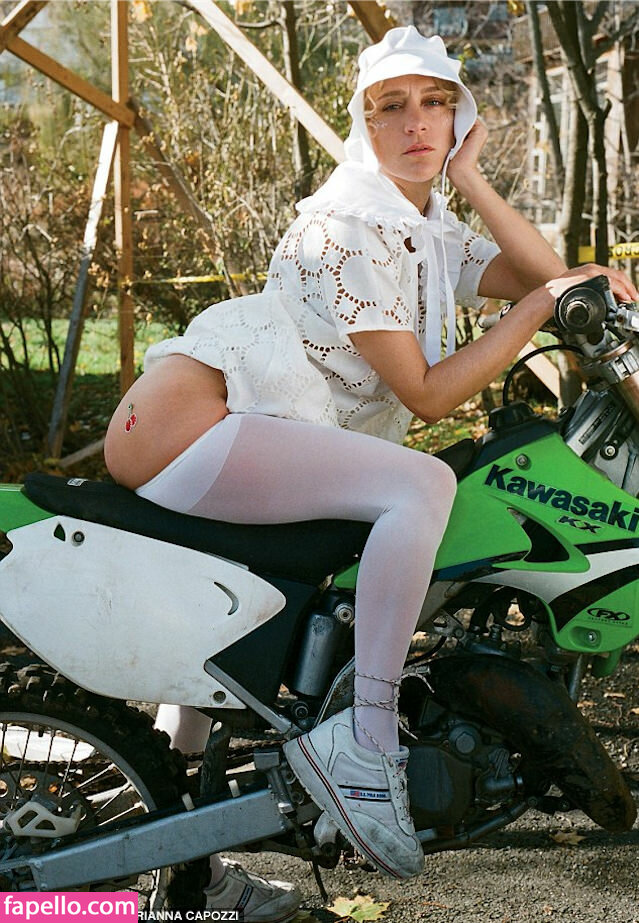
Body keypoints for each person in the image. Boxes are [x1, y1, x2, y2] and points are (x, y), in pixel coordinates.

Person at [105, 24, 639, 907]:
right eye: (391, 106)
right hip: (186, 424)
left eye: (436, 103)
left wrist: (473, 182)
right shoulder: (352, 224)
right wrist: (533, 310)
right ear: (363, 122)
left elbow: (547, 282)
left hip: (222, 426)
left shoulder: (418, 226)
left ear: (458, 116)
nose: (416, 122)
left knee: (220, 642)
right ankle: (365, 738)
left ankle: (184, 871)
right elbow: (427, 394)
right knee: (421, 482)